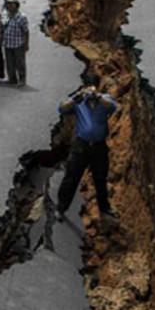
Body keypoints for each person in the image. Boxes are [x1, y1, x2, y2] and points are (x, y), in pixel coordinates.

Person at [55, 73, 120, 223]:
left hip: (98, 147)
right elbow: (62, 108)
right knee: (71, 178)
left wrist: (97, 96)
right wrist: (77, 97)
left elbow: (112, 106)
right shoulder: (79, 101)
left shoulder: (105, 99)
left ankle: (104, 209)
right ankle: (61, 207)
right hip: (81, 145)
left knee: (100, 179)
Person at [1, 0, 29, 87]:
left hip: (18, 44)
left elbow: (26, 31)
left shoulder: (21, 17)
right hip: (8, 44)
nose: (9, 6)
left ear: (16, 5)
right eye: (8, 4)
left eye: (11, 4)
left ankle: (22, 79)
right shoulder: (6, 15)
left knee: (20, 63)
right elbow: (2, 27)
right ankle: (12, 79)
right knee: (9, 63)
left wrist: (26, 44)